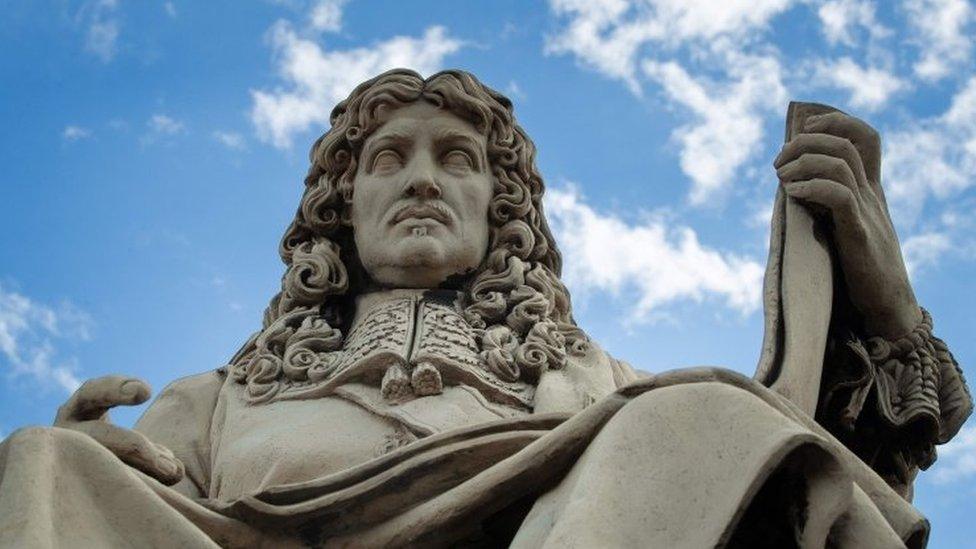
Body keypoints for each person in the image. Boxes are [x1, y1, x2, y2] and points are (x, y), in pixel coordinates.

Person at [0, 69, 970, 548]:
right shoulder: (213, 401)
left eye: (454, 157)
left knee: (707, 420)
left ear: (498, 207)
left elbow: (809, 473)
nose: (421, 177)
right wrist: (76, 471)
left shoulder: (605, 389)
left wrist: (885, 319)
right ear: (341, 209)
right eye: (389, 157)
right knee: (42, 459)